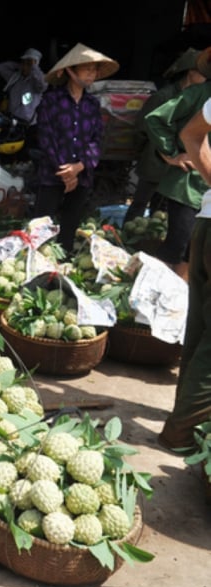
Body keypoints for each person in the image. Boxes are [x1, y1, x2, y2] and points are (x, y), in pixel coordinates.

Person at [159, 94, 211, 451]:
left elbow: (192, 135)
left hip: (206, 223)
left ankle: (185, 423)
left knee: (199, 330)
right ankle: (180, 434)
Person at [33, 43, 117, 253]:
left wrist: (79, 167)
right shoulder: (50, 101)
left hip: (82, 175)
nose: (92, 74)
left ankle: (63, 266)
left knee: (69, 226)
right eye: (87, 69)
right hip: (52, 174)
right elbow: (46, 137)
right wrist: (66, 171)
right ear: (71, 71)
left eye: (94, 70)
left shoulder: (93, 105)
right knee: (41, 225)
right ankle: (35, 267)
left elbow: (97, 141)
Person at [142, 49, 211, 278]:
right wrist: (171, 153)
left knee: (195, 252)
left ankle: (180, 301)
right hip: (188, 185)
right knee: (177, 246)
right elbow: (156, 119)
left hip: (207, 189)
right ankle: (154, 295)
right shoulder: (199, 94)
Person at [125, 48, 206, 224]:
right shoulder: (164, 96)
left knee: (160, 210)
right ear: (190, 73)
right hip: (155, 158)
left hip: (179, 163)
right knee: (140, 202)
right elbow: (144, 125)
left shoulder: (199, 98)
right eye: (202, 73)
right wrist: (165, 151)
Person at [0, 47, 47, 147]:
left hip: (26, 124)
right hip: (11, 119)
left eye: (28, 64)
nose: (25, 66)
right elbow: (1, 67)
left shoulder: (36, 82)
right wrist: (20, 66)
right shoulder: (15, 78)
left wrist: (34, 67)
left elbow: (42, 85)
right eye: (24, 63)